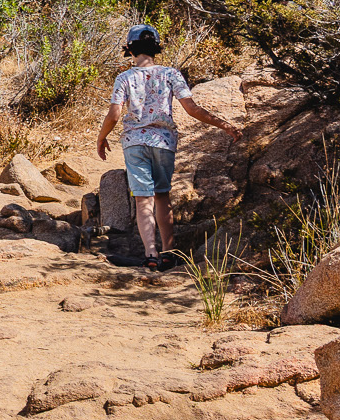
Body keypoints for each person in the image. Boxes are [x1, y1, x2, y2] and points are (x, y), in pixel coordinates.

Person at [96, 24, 240, 270]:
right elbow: (192, 109)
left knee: (143, 201)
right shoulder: (171, 74)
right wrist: (224, 125)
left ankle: (150, 255)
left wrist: (101, 137)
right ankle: (168, 253)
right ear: (157, 48)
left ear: (129, 49)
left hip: (134, 142)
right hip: (164, 142)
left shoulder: (124, 78)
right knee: (162, 197)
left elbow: (114, 114)